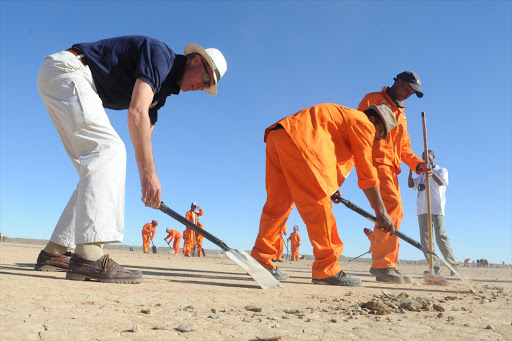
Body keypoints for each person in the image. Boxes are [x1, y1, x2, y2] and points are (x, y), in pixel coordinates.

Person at [35, 35, 227, 283]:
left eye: (208, 86)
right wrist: (149, 176)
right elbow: (136, 112)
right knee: (108, 152)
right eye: (205, 79)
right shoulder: (161, 56)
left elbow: (143, 134)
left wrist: (147, 183)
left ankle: (54, 252)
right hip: (69, 70)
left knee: (101, 168)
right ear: (196, 60)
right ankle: (89, 256)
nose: (202, 87)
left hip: (65, 78)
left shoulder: (163, 92)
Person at [251, 103, 397, 286]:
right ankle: (327, 269)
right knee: (318, 206)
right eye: (380, 133)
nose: (376, 139)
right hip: (300, 143)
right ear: (374, 120)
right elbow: (366, 171)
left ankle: (261, 258)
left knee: (277, 205)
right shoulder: (364, 123)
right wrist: (381, 212)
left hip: (280, 135)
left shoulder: (344, 117)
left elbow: (325, 147)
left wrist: (332, 188)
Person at [358, 70, 429, 284]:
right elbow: (358, 130)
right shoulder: (373, 99)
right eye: (407, 89)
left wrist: (417, 164)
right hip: (376, 162)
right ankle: (383, 265)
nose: (409, 94)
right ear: (398, 81)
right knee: (392, 210)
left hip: (392, 168)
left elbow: (404, 147)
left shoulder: (402, 114)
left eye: (413, 92)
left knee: (394, 214)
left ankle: (387, 263)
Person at [408, 150, 458, 276]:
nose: (425, 159)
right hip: (422, 209)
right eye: (423, 158)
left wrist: (430, 172)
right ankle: (434, 267)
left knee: (441, 236)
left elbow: (442, 182)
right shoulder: (421, 175)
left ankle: (453, 266)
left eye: (427, 157)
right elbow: (410, 185)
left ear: (433, 157)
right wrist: (411, 167)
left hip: (437, 208)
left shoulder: (442, 171)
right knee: (425, 240)